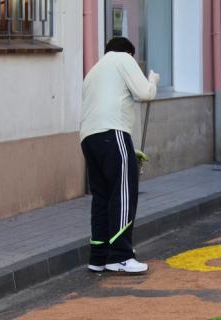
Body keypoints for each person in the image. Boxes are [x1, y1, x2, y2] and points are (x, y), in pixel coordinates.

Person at [80, 37, 159, 274]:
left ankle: (99, 257)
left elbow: (107, 105)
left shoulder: (94, 71)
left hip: (90, 138)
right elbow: (145, 93)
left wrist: (127, 148)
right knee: (124, 192)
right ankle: (121, 256)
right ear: (130, 53)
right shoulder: (123, 58)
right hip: (113, 133)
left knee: (102, 196)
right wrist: (152, 81)